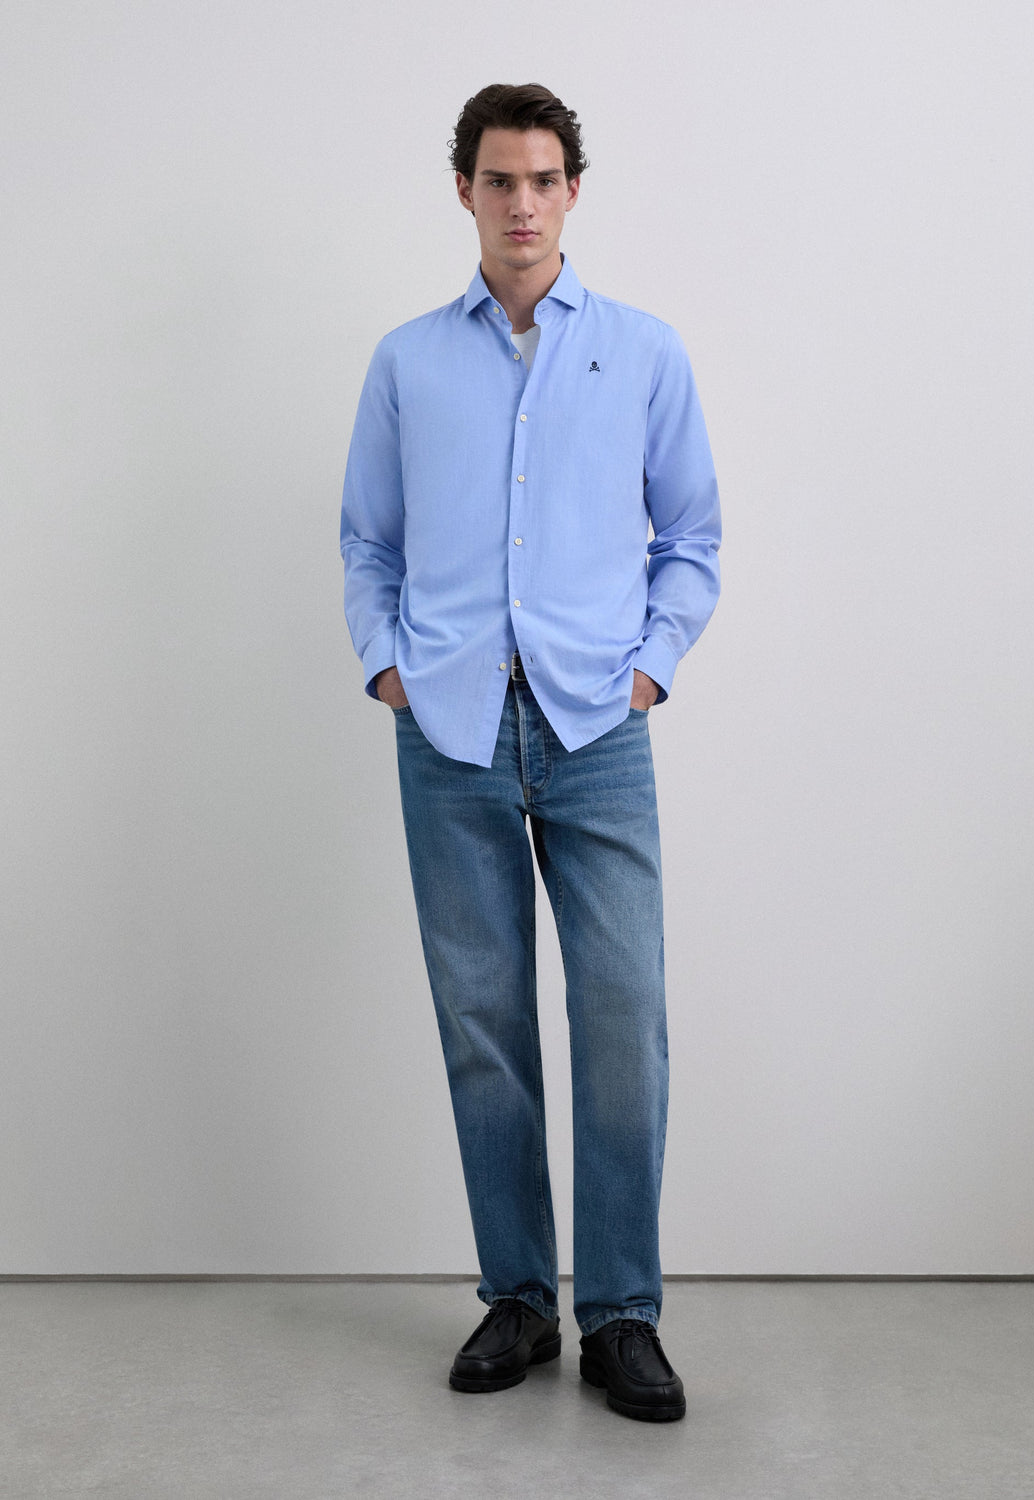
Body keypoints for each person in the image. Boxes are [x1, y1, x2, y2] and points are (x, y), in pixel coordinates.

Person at [340, 83, 720, 1423]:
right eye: (498, 180)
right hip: (446, 729)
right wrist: (386, 662)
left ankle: (620, 1314)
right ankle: (517, 1297)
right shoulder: (407, 362)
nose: (521, 203)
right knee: (482, 1025)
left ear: (572, 192)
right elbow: (367, 539)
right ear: (465, 191)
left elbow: (692, 536)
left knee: (623, 1020)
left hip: (595, 727)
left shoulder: (643, 352)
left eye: (543, 179)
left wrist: (649, 666)